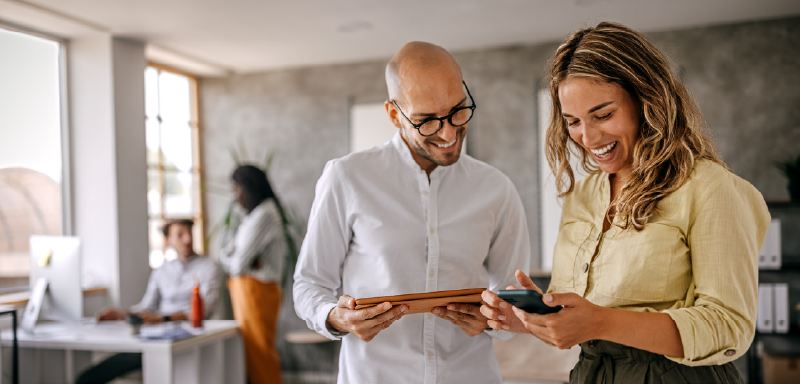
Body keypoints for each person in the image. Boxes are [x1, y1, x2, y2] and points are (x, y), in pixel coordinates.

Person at [480, 22, 770, 383]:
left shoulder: (710, 188)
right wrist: (527, 318)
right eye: (572, 121)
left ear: (646, 99)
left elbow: (729, 328)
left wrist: (602, 322)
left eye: (603, 115)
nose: (587, 137)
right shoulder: (582, 195)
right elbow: (578, 312)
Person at [293, 41, 530, 384]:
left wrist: (497, 320)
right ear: (394, 115)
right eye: (427, 121)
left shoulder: (497, 189)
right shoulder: (347, 177)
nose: (448, 133)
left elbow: (513, 299)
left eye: (457, 111)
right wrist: (334, 316)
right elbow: (309, 283)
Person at [76, 219, 220, 384]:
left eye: (189, 233)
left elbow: (204, 311)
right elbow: (147, 307)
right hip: (158, 338)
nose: (187, 239)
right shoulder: (161, 271)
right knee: (86, 379)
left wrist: (161, 319)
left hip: (191, 338)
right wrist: (121, 314)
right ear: (168, 241)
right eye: (180, 235)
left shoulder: (209, 266)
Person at [219, 164, 287, 384]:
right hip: (248, 291)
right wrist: (240, 259)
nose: (235, 196)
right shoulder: (252, 216)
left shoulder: (265, 214)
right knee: (253, 355)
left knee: (260, 355)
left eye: (237, 189)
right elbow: (227, 252)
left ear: (249, 188)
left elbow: (236, 264)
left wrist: (236, 258)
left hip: (257, 292)